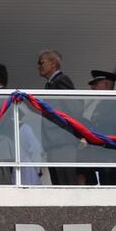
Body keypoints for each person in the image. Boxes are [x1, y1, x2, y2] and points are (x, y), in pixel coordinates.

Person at [83, 70, 116, 186]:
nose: (92, 88)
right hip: (104, 157)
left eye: (96, 84)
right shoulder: (102, 105)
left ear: (106, 85)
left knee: (113, 189)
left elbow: (109, 128)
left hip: (112, 158)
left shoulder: (113, 104)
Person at [36, 49, 78, 185]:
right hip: (54, 143)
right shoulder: (50, 84)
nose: (39, 66)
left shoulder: (61, 80)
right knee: (58, 184)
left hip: (63, 141)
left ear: (53, 63)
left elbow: (74, 107)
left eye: (41, 62)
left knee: (66, 183)